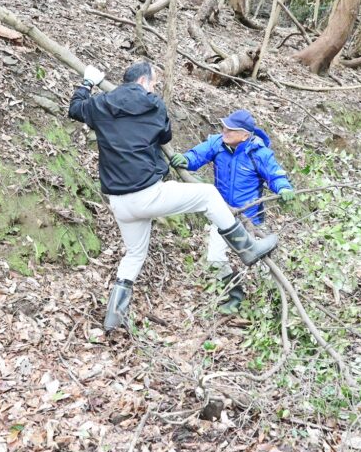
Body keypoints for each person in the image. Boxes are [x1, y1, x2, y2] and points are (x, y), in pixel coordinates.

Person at [68, 61, 280, 331]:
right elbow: (164, 135)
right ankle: (247, 249)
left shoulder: (100, 105)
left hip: (119, 202)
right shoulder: (153, 104)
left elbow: (75, 108)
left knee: (134, 255)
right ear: (143, 81)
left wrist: (89, 82)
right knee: (208, 194)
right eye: (154, 83)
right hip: (148, 194)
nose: (154, 88)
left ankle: (113, 318)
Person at [171, 110, 295, 313]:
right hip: (220, 213)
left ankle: (274, 302)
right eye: (225, 127)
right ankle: (235, 296)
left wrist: (284, 188)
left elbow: (275, 175)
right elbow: (197, 155)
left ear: (245, 135)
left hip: (250, 218)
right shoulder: (217, 143)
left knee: (262, 264)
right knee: (215, 258)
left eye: (231, 129)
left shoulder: (258, 153)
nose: (225, 131)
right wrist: (185, 159)